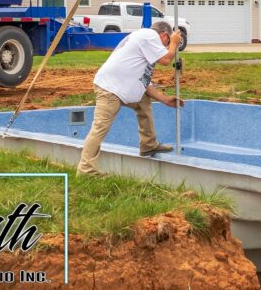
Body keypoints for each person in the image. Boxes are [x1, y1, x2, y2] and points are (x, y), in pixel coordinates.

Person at [78, 21, 184, 176]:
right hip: (110, 88)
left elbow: (145, 84)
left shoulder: (143, 41)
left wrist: (165, 99)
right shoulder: (149, 36)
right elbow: (167, 60)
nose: (164, 47)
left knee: (144, 102)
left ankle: (149, 144)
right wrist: (174, 43)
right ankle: (85, 169)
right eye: (166, 42)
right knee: (100, 127)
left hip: (121, 86)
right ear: (164, 35)